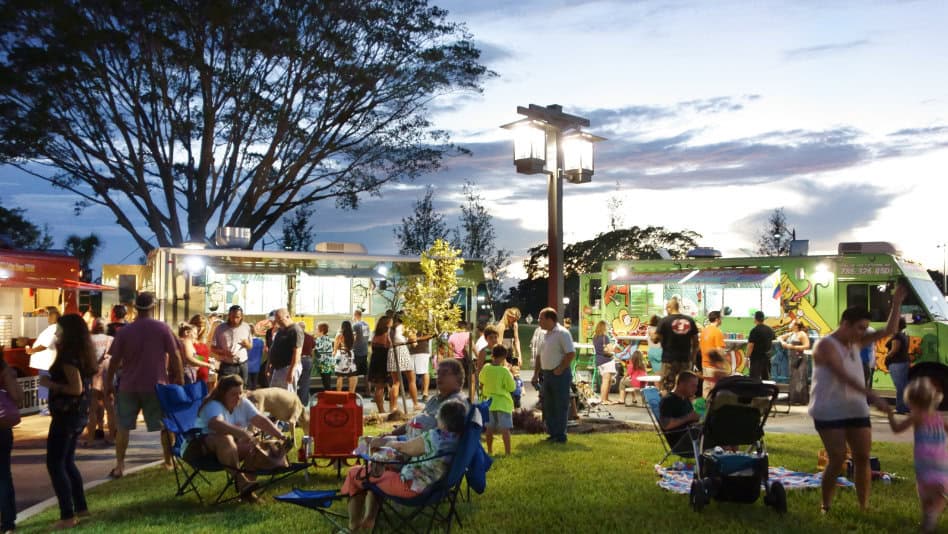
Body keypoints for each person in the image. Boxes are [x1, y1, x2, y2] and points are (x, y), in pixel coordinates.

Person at [809, 283, 906, 514]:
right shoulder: (825, 345)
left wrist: (897, 302)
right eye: (860, 328)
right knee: (837, 458)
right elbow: (841, 376)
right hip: (828, 409)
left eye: (865, 328)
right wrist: (872, 395)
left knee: (862, 457)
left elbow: (889, 331)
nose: (864, 333)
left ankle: (864, 507)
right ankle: (826, 506)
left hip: (856, 408)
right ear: (845, 324)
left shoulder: (856, 340)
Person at [341, 399, 467, 532]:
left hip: (411, 486)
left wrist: (383, 443)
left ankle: (352, 528)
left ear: (444, 420)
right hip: (434, 486)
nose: (436, 419)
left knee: (355, 473)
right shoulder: (457, 439)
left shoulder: (435, 437)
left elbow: (404, 447)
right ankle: (369, 520)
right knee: (379, 469)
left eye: (438, 417)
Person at [104, 292, 184, 479]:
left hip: (128, 386)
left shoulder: (125, 331)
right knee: (165, 426)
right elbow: (175, 356)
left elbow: (114, 361)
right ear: (153, 306)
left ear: (135, 307)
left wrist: (108, 384)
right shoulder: (162, 328)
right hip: (156, 386)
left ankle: (120, 466)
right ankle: (168, 461)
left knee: (123, 427)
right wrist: (179, 380)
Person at [190, 374, 286, 503]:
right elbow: (215, 424)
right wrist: (241, 433)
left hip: (228, 451)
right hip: (198, 450)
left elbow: (260, 420)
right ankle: (242, 482)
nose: (238, 397)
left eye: (240, 393)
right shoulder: (213, 405)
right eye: (233, 394)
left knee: (256, 447)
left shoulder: (242, 402)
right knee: (225, 438)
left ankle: (247, 493)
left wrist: (280, 435)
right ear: (223, 394)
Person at [41, 314, 97, 529]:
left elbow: (76, 388)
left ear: (69, 333)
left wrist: (51, 384)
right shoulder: (82, 355)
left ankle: (67, 515)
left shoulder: (68, 358)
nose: (56, 334)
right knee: (67, 462)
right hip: (77, 415)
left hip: (66, 415)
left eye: (59, 330)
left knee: (55, 463)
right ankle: (80, 508)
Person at [885, 377, 948, 533]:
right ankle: (930, 517)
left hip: (924, 462)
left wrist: (889, 414)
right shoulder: (939, 418)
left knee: (925, 491)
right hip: (940, 461)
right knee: (940, 494)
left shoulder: (916, 416)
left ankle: (928, 516)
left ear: (913, 402)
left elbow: (896, 429)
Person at [531, 307, 575, 444]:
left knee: (560, 404)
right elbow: (539, 356)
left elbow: (570, 353)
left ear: (550, 319)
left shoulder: (562, 333)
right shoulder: (543, 334)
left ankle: (560, 435)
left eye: (541, 318)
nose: (538, 321)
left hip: (559, 374)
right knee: (548, 404)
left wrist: (561, 368)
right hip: (547, 374)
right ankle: (552, 433)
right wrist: (536, 373)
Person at [652, 298, 699, 393]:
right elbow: (696, 342)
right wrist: (693, 357)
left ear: (669, 308)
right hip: (685, 359)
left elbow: (655, 340)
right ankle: (683, 406)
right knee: (685, 385)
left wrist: (653, 335)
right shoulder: (690, 320)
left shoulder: (664, 321)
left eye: (666, 309)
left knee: (666, 386)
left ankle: (667, 406)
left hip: (669, 360)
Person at [0, 353, 24, 534]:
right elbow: (17, 397)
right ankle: (8, 524)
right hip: (2, 427)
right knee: (3, 475)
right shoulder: (4, 369)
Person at [479, 345, 515, 456]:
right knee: (505, 429)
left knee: (489, 428)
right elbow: (511, 387)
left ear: (492, 354)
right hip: (503, 403)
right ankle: (507, 452)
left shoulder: (486, 368)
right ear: (504, 356)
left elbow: (481, 379)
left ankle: (489, 450)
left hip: (489, 402)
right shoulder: (504, 371)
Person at [25, 306, 61, 412]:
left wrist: (32, 350)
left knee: (45, 384)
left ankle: (45, 408)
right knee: (46, 384)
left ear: (52, 315)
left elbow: (46, 345)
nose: (45, 317)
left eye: (46, 314)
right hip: (46, 363)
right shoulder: (53, 328)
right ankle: (46, 407)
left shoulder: (55, 328)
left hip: (47, 363)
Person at [84, 319, 113, 446]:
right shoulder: (111, 339)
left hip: (93, 375)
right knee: (110, 408)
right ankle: (112, 437)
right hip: (108, 375)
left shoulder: (88, 340)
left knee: (93, 408)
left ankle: (90, 439)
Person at [658, 371, 700, 452]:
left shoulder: (685, 398)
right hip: (681, 443)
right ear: (681, 384)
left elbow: (691, 420)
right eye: (693, 386)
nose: (696, 389)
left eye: (696, 386)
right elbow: (666, 425)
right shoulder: (668, 400)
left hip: (691, 436)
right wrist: (689, 417)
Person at [211, 305, 254, 383]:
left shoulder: (246, 327)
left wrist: (247, 344)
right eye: (232, 317)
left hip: (243, 365)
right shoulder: (220, 328)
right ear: (229, 315)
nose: (234, 320)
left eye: (237, 317)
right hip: (227, 365)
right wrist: (225, 352)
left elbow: (250, 346)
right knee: (224, 389)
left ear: (241, 316)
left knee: (242, 388)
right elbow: (212, 348)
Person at [267, 309, 303, 393]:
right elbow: (273, 347)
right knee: (275, 394)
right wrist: (269, 364)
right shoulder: (281, 329)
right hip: (278, 368)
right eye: (277, 320)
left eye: (280, 320)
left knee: (287, 395)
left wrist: (291, 371)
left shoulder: (295, 330)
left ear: (287, 316)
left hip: (288, 367)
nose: (278, 322)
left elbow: (297, 352)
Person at [388, 314, 417, 411]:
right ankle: (415, 404)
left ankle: (393, 406)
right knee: (411, 379)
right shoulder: (405, 327)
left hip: (392, 351)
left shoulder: (390, 329)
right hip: (402, 350)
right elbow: (414, 343)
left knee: (395, 382)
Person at [780, 321, 812, 404]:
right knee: (793, 378)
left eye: (792, 323)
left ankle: (801, 399)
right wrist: (783, 342)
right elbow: (780, 337)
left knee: (800, 378)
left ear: (796, 326)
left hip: (800, 358)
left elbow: (807, 345)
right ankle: (794, 399)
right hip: (792, 358)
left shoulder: (802, 334)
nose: (790, 324)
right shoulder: (791, 334)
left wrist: (793, 347)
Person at [885, 318, 910, 414]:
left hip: (896, 363)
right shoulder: (904, 335)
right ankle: (906, 407)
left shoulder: (897, 336)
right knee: (904, 386)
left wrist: (886, 357)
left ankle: (900, 408)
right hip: (904, 362)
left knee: (900, 386)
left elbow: (894, 350)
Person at [369, 316, 393, 414]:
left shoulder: (375, 334)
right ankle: (381, 410)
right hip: (382, 362)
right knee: (381, 387)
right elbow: (388, 346)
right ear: (387, 323)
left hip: (375, 361)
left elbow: (373, 347)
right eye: (391, 321)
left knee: (379, 387)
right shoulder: (386, 334)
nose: (392, 323)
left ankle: (381, 409)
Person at [699, 311, 726, 397]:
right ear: (717, 319)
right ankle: (712, 408)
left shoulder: (704, 331)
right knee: (715, 390)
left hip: (704, 363)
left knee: (706, 387)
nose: (721, 320)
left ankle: (704, 408)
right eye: (721, 318)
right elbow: (719, 350)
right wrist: (722, 365)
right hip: (714, 366)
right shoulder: (717, 332)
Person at [592, 320, 618, 405]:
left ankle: (606, 399)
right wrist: (614, 345)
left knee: (607, 380)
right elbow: (610, 349)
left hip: (599, 360)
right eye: (607, 326)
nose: (608, 328)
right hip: (607, 360)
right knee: (606, 381)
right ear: (604, 327)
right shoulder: (605, 337)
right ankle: (604, 400)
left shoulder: (595, 337)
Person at [746, 311, 775, 381]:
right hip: (767, 358)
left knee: (754, 378)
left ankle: (754, 391)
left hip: (756, 358)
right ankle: (766, 391)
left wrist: (746, 357)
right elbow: (773, 342)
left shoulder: (754, 330)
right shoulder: (770, 330)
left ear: (755, 319)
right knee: (765, 377)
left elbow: (751, 345)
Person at [335, 321, 359, 393]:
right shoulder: (353, 335)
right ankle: (351, 393)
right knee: (352, 375)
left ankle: (338, 394)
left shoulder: (339, 335)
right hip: (350, 354)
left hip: (341, 354)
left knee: (340, 376)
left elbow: (335, 347)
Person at [189, 314, 213, 386]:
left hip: (204, 377)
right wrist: (204, 360)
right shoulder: (188, 340)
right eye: (197, 325)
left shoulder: (202, 341)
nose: (200, 328)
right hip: (193, 377)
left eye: (202, 326)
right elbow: (190, 356)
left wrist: (209, 360)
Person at [408, 330, 431, 402]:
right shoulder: (409, 323)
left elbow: (430, 335)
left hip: (423, 350)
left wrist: (417, 339)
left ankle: (425, 393)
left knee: (424, 371)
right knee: (412, 372)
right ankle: (413, 392)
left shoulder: (425, 322)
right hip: (411, 351)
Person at [352, 310, 370, 394]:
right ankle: (368, 391)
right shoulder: (366, 325)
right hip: (365, 350)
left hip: (357, 351)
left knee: (355, 372)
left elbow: (354, 338)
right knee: (365, 372)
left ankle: (353, 392)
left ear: (355, 315)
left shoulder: (355, 325)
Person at [313, 322, 334, 395]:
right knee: (326, 380)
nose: (315, 331)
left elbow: (316, 350)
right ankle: (328, 395)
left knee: (326, 382)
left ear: (321, 331)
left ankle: (329, 396)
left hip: (324, 363)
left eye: (317, 329)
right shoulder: (327, 338)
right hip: (327, 362)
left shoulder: (320, 339)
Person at [298, 323, 315, 403]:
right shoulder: (310, 337)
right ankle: (304, 402)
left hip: (298, 360)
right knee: (305, 381)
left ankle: (295, 401)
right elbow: (313, 347)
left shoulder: (296, 337)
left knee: (295, 381)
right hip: (308, 360)